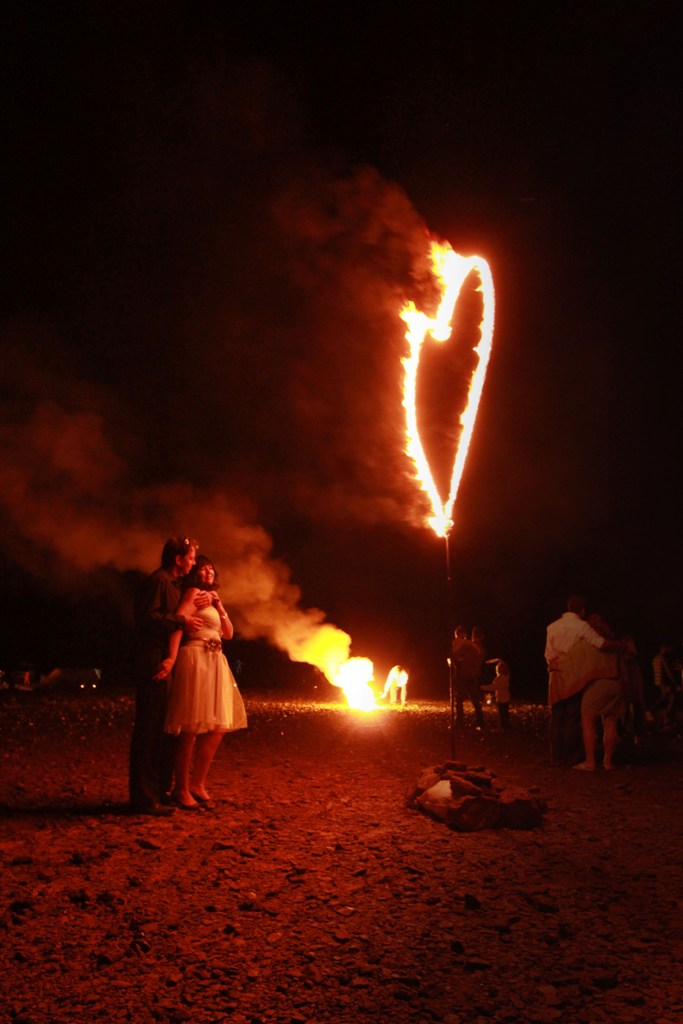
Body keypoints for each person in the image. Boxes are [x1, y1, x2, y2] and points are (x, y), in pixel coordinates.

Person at [128, 536, 210, 815]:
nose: (193, 563)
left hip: (165, 659)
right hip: (154, 659)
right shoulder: (159, 581)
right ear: (178, 559)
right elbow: (147, 618)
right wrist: (182, 620)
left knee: (162, 729)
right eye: (191, 557)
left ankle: (158, 792)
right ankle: (144, 799)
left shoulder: (174, 584)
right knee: (149, 728)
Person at [161, 556, 247, 810]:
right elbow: (178, 622)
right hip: (196, 656)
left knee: (218, 726)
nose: (208, 571)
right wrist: (172, 657)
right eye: (202, 568)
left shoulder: (212, 598)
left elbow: (228, 633)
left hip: (215, 659)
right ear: (194, 572)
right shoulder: (193, 593)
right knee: (191, 725)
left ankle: (198, 783)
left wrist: (219, 605)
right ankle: (180, 788)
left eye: (211, 568)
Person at [545, 595, 625, 769]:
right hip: (585, 677)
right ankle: (580, 757)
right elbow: (601, 644)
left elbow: (549, 654)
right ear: (582, 611)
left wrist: (555, 667)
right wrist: (621, 645)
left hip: (558, 674)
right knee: (575, 717)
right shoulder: (583, 628)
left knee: (558, 717)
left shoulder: (552, 627)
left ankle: (558, 757)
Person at [451, 626, 484, 729]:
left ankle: (459, 722)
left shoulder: (467, 646)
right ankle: (480, 722)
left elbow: (456, 655)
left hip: (464, 674)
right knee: (475, 699)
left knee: (458, 699)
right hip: (474, 675)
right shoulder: (481, 648)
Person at [482, 659, 511, 729]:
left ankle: (503, 726)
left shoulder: (499, 679)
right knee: (506, 713)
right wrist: (497, 660)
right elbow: (504, 664)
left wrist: (482, 687)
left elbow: (493, 687)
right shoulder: (507, 676)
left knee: (501, 713)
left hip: (500, 699)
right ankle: (507, 725)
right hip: (507, 698)